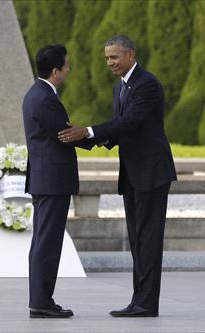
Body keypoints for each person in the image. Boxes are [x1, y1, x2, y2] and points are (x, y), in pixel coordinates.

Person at [58, 35, 177, 317]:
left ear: (131, 55)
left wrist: (88, 131)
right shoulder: (120, 87)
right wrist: (81, 139)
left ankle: (146, 304)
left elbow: (131, 121)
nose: (109, 62)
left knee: (147, 238)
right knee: (138, 238)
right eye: (107, 58)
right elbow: (121, 131)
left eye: (114, 57)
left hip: (151, 172)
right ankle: (139, 301)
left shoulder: (147, 84)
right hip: (134, 174)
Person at [22, 44, 93, 319]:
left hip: (44, 180)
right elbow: (65, 134)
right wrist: (100, 136)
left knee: (43, 241)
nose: (68, 69)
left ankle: (40, 300)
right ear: (56, 70)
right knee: (47, 243)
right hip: (52, 181)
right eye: (66, 66)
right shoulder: (45, 98)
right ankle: (41, 302)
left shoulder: (36, 93)